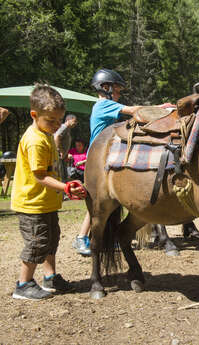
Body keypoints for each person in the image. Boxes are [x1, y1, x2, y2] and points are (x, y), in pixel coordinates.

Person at [11, 84, 86, 300]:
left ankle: (49, 277)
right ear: (34, 115)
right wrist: (65, 187)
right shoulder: (35, 140)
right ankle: (23, 284)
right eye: (50, 120)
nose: (56, 125)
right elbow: (39, 176)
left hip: (46, 202)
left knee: (51, 240)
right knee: (37, 243)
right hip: (32, 204)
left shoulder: (46, 135)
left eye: (59, 120)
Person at [72, 68, 142, 256]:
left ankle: (104, 238)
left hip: (105, 157)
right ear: (105, 88)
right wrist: (160, 109)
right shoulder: (104, 105)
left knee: (106, 204)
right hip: (98, 160)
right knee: (96, 204)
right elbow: (133, 111)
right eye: (117, 90)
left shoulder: (106, 106)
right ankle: (81, 238)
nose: (119, 94)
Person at [54, 114, 78, 181]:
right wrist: (60, 150)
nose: (75, 123)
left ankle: (64, 189)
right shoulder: (63, 127)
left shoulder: (67, 129)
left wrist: (66, 154)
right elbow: (56, 137)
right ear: (68, 120)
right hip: (59, 155)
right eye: (74, 121)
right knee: (60, 175)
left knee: (64, 176)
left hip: (63, 156)